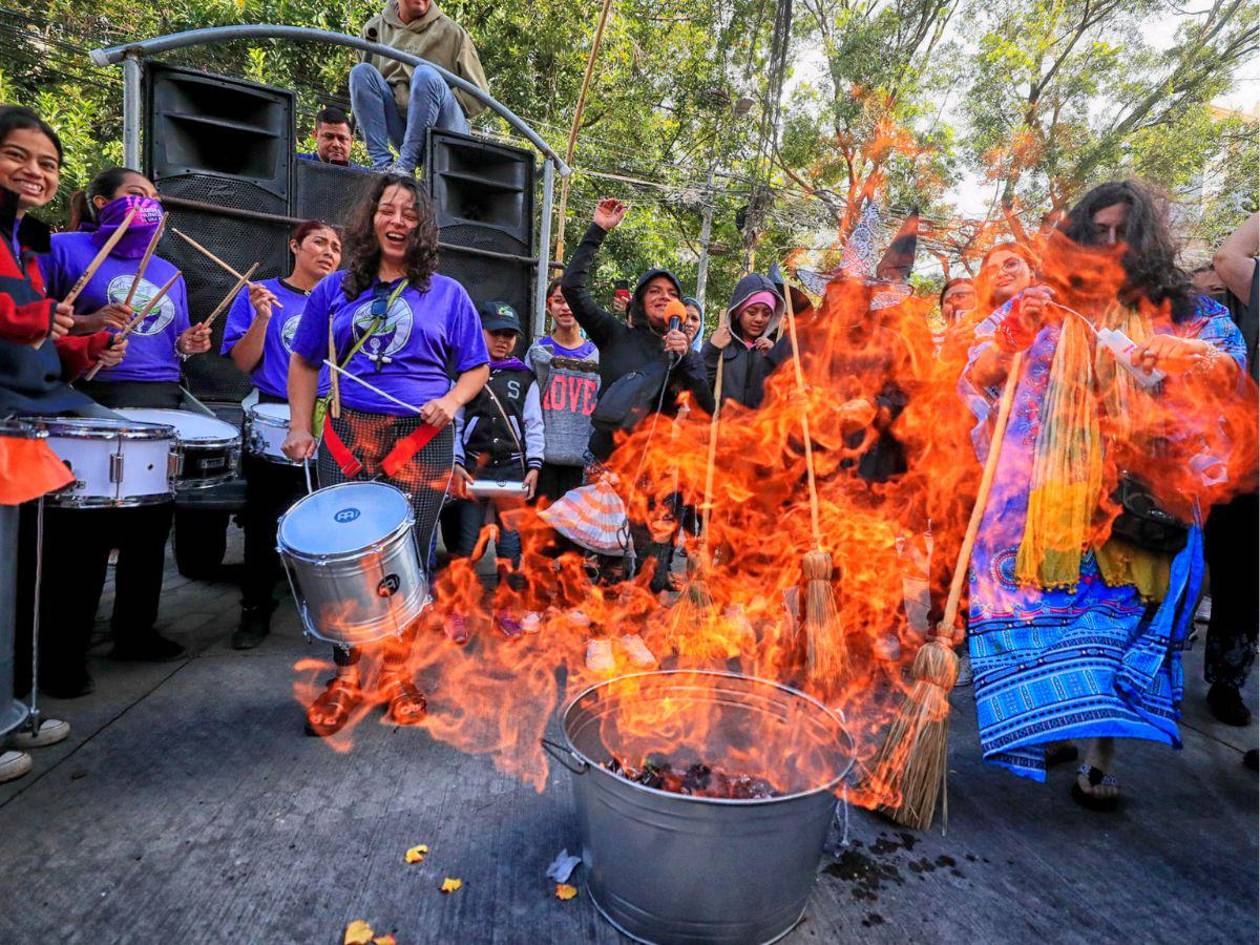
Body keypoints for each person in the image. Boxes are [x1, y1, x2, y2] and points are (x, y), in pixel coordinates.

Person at [960, 179, 1248, 809]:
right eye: (1098, 231)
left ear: (1145, 237)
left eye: (1123, 231)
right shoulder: (1048, 304)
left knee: (1118, 623)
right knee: (1048, 615)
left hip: (1138, 501)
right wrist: (1011, 334)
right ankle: (1057, 723)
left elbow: (1231, 374)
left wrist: (1191, 359)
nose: (1110, 243)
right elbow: (978, 376)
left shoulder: (1185, 308)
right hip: (1048, 498)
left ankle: (1099, 754)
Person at [285, 173, 488, 737]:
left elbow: (476, 366)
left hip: (421, 439)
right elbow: (304, 362)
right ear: (371, 219)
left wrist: (450, 400)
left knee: (409, 562)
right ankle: (346, 677)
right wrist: (300, 425)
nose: (397, 221)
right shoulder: (335, 289)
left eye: (409, 213)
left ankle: (400, 674)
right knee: (339, 562)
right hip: (348, 436)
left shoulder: (447, 294)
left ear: (422, 226)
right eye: (387, 210)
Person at [36, 166, 211, 693]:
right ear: (99, 201)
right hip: (87, 396)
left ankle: (135, 631)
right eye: (136, 195)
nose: (148, 205)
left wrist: (189, 344)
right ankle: (62, 652)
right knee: (81, 535)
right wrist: (90, 328)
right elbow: (32, 317)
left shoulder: (168, 272)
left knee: (150, 528)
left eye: (155, 198)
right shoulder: (63, 249)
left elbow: (171, 341)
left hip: (160, 401)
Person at [0, 105, 122, 783]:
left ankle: (15, 707)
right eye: (18, 156)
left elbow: (43, 343)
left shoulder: (28, 246)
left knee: (26, 577)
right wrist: (45, 317)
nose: (34, 171)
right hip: (6, 419)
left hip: (34, 414)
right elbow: (20, 322)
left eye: (46, 162)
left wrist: (91, 345)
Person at [560, 197, 714, 592]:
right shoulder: (616, 336)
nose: (663, 296)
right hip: (607, 464)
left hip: (655, 471)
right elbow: (573, 289)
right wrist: (597, 230)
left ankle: (634, 633)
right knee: (603, 558)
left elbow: (706, 409)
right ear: (642, 303)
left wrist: (687, 358)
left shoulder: (683, 355)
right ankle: (600, 637)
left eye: (671, 292)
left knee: (649, 558)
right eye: (654, 291)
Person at [220, 220, 342, 649]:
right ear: (295, 245)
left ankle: (332, 610)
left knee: (330, 521)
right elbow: (243, 361)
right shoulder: (261, 294)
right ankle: (255, 610)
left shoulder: (345, 302)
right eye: (319, 242)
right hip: (274, 415)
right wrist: (262, 318)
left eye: (336, 247)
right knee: (263, 521)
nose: (328, 252)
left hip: (334, 420)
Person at [451, 300, 543, 631]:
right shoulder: (466, 372)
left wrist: (534, 465)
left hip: (512, 471)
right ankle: (458, 609)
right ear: (481, 333)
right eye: (495, 334)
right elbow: (455, 422)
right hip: (473, 470)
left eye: (509, 335)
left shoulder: (525, 376)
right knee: (467, 544)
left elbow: (534, 425)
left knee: (510, 544)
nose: (503, 341)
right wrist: (456, 462)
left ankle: (506, 608)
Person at [1202, 210, 1258, 736]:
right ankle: (1226, 678)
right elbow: (1229, 256)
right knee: (1235, 575)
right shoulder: (1251, 293)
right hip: (1247, 470)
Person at [350, 0, 489, 174]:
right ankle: (382, 165)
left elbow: (479, 97)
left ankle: (404, 167)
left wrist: (432, 100)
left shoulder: (452, 33)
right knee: (361, 72)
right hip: (402, 130)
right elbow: (366, 93)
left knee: (425, 75)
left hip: (446, 131)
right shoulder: (374, 29)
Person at [525, 278, 599, 503]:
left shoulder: (599, 354)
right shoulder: (538, 353)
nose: (566, 307)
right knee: (541, 535)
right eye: (558, 301)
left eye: (571, 301)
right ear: (549, 307)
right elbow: (528, 411)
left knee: (576, 537)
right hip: (545, 464)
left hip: (584, 466)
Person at [702, 274, 789, 411]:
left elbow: (785, 397)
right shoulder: (720, 344)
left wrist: (776, 359)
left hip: (758, 430)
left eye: (766, 313)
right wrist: (712, 349)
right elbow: (700, 388)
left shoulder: (775, 349)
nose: (759, 319)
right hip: (722, 429)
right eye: (752, 312)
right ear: (738, 311)